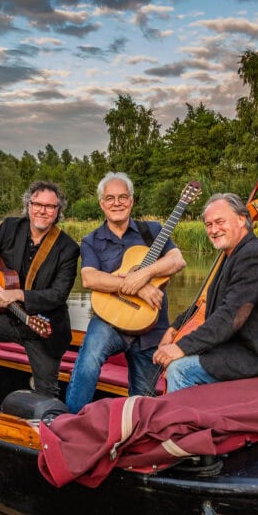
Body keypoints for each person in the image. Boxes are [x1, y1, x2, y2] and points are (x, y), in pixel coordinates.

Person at [64, 172, 186, 412]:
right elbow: (89, 278)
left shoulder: (152, 231)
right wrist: (135, 287)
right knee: (88, 359)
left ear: (131, 201)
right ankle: (70, 421)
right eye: (110, 198)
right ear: (101, 203)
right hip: (110, 320)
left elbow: (177, 260)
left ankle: (135, 440)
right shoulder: (91, 240)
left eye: (122, 197)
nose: (116, 203)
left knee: (145, 399)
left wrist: (143, 275)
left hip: (151, 325)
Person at [152, 192, 258, 393]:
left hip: (257, 357)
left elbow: (231, 316)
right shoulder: (231, 255)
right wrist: (174, 327)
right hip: (237, 350)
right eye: (208, 224)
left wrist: (181, 347)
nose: (213, 229)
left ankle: (183, 423)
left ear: (241, 220)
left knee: (180, 369)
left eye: (220, 221)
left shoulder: (254, 255)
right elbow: (205, 302)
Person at [0, 181, 80, 411]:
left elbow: (58, 295)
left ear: (57, 211)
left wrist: (17, 293)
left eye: (50, 207)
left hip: (43, 327)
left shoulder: (68, 248)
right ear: (28, 205)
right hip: (8, 317)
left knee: (47, 394)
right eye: (37, 204)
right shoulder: (10, 228)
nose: (42, 211)